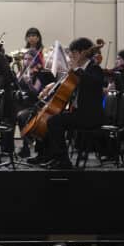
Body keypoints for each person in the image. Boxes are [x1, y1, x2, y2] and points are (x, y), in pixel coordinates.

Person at [35, 37, 104, 170]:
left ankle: (63, 160)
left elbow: (94, 83)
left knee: (54, 121)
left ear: (83, 53)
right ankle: (51, 156)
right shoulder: (77, 70)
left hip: (90, 116)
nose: (71, 56)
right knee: (49, 118)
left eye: (74, 53)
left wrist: (78, 70)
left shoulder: (94, 69)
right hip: (78, 113)